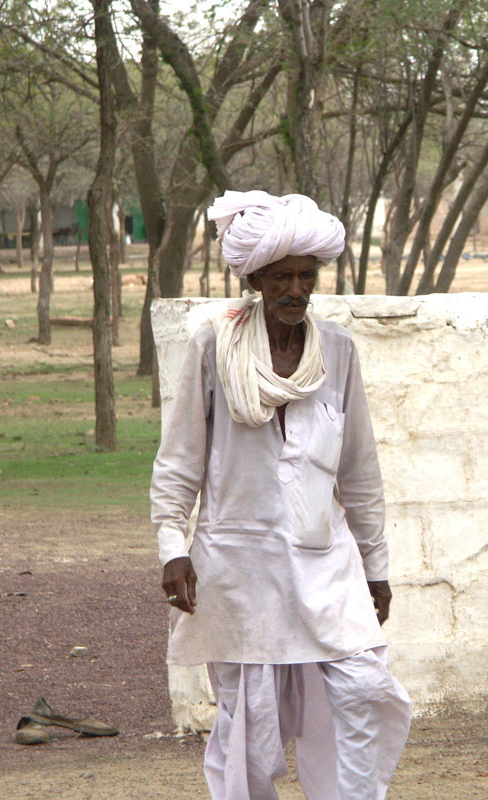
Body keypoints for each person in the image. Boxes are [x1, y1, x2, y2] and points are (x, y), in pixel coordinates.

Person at [150, 190, 411, 800]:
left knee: (366, 692)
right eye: (281, 277)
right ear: (256, 279)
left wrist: (377, 567)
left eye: (306, 276)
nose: (296, 288)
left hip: (328, 563)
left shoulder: (338, 351)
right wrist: (172, 546)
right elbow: (179, 460)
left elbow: (360, 471)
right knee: (251, 732)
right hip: (240, 567)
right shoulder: (214, 346)